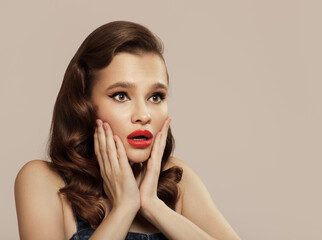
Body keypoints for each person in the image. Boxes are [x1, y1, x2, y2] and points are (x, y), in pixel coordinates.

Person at [14, 21, 241, 240]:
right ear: (83, 105)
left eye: (156, 96)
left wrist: (154, 207)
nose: (144, 115)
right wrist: (124, 208)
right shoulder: (43, 180)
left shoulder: (177, 178)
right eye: (121, 95)